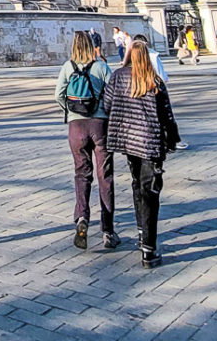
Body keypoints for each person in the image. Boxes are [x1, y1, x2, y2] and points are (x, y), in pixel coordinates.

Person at [103, 40, 181, 268]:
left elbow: (107, 105)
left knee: (138, 184)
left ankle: (141, 233)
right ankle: (149, 246)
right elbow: (167, 114)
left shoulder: (118, 76)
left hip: (129, 141)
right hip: (150, 142)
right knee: (151, 191)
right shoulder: (154, 80)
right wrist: (174, 139)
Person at [55, 30, 119, 251]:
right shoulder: (101, 67)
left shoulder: (68, 67)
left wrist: (71, 111)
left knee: (82, 174)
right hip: (99, 125)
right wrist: (104, 111)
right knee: (105, 176)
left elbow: (58, 95)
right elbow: (113, 94)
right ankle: (108, 230)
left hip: (76, 127)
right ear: (92, 45)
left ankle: (82, 218)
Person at [131, 33, 189, 151]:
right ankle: (173, 141)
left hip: (138, 88)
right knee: (165, 115)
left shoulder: (131, 57)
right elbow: (162, 76)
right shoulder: (152, 55)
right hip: (155, 87)